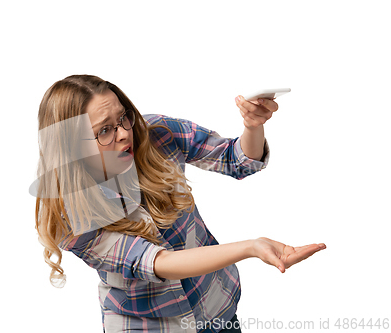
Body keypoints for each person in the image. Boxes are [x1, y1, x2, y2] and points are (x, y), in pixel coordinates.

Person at [31, 75, 326, 333]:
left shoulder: (157, 133)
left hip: (214, 307)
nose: (123, 133)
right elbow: (160, 263)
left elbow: (236, 161)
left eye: (122, 118)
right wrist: (252, 247)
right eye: (104, 131)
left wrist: (252, 125)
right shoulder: (70, 216)